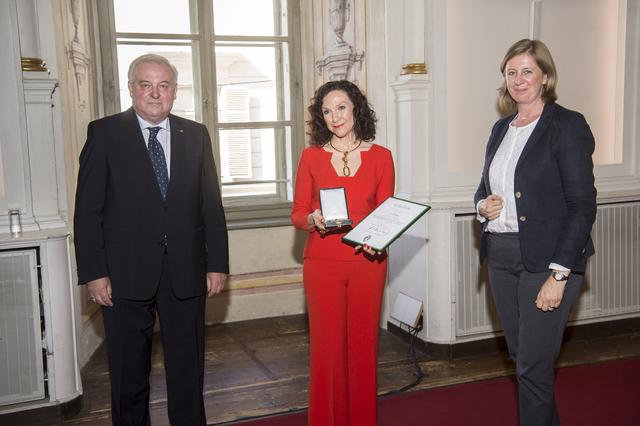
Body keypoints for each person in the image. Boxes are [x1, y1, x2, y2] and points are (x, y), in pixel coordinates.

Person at [74, 53, 229, 426]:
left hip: (186, 271)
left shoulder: (196, 135)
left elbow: (211, 204)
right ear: (132, 89)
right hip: (123, 275)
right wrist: (95, 273)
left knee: (187, 372)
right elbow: (87, 212)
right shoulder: (104, 133)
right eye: (146, 84)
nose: (155, 93)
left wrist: (217, 264)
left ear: (175, 91)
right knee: (128, 375)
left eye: (163, 85)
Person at [475, 39, 597, 426]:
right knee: (523, 359)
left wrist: (560, 274)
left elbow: (582, 206)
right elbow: (485, 188)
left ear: (545, 76)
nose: (518, 79)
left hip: (548, 264)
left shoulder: (567, 125)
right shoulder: (500, 129)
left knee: (533, 366)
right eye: (511, 72)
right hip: (501, 256)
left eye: (527, 71)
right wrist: (483, 207)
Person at [291, 80, 395, 426]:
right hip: (322, 262)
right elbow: (297, 213)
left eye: (341, 108)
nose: (334, 117)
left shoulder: (382, 157)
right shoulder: (311, 157)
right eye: (326, 111)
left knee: (363, 349)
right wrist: (311, 218)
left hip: (368, 262)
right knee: (327, 351)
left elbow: (386, 214)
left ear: (356, 109)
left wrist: (379, 239)